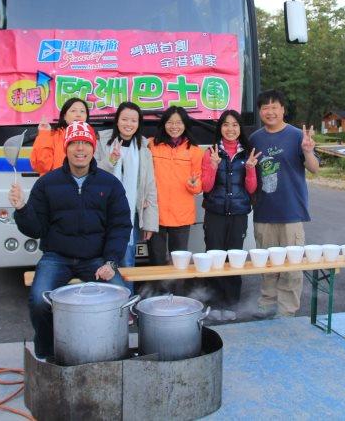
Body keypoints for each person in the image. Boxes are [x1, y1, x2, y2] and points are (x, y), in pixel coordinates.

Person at [9, 120, 131, 360]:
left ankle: (111, 351)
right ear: (66, 147)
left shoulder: (110, 184)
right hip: (57, 258)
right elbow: (35, 229)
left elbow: (120, 227)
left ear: (93, 148)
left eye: (85, 143)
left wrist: (111, 262)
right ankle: (47, 353)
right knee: (40, 301)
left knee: (120, 300)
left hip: (96, 259)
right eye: (74, 143)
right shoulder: (47, 183)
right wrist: (22, 208)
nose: (80, 149)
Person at [249, 89, 319, 318]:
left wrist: (308, 152)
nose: (270, 112)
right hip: (263, 211)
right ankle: (267, 304)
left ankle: (286, 310)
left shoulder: (297, 136)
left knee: (291, 265)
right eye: (265, 108)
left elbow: (314, 169)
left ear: (283, 110)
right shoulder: (255, 139)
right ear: (260, 111)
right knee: (267, 263)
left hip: (291, 211)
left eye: (274, 107)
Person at [201, 109, 260, 321]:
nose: (230, 129)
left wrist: (251, 169)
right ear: (220, 128)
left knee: (234, 259)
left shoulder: (248, 153)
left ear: (240, 128)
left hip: (238, 213)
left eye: (235, 125)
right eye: (226, 124)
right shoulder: (211, 152)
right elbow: (206, 187)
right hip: (215, 212)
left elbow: (251, 189)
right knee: (214, 257)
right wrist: (213, 166)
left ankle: (231, 304)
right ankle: (214, 304)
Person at [94, 102, 158, 285]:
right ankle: (107, 299)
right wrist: (111, 160)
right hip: (102, 213)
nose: (128, 124)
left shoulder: (144, 148)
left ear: (138, 123)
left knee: (127, 261)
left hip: (131, 215)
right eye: (124, 119)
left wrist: (150, 223)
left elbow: (150, 187)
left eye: (133, 120)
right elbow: (92, 174)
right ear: (117, 120)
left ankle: (127, 300)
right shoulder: (102, 141)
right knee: (100, 261)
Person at [147, 106, 203, 265]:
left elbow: (199, 186)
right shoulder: (151, 145)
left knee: (178, 263)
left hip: (181, 215)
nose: (174, 126)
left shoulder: (194, 151)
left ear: (185, 125)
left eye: (179, 122)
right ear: (163, 124)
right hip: (155, 213)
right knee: (156, 261)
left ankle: (177, 283)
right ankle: (158, 283)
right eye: (170, 122)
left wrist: (193, 184)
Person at [30, 97, 89, 175]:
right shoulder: (52, 136)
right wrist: (44, 134)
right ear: (64, 116)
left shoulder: (92, 138)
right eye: (73, 111)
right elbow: (41, 167)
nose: (78, 115)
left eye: (82, 111)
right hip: (55, 181)